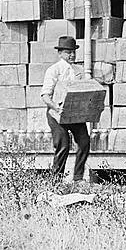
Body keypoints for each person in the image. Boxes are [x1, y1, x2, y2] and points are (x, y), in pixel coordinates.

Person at [40, 36, 91, 187]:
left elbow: (84, 90)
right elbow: (45, 95)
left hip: (74, 114)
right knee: (63, 144)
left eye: (74, 52)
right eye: (68, 52)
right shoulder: (54, 70)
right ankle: (56, 181)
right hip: (56, 114)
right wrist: (56, 107)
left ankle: (78, 178)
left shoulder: (79, 70)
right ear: (60, 53)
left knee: (84, 141)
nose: (72, 55)